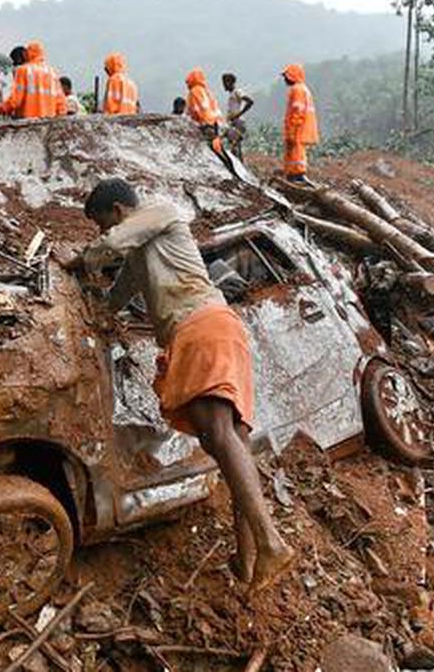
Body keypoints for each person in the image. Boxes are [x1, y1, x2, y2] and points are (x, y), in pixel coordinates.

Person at [66, 179, 294, 593]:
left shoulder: (157, 211)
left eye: (101, 223)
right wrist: (97, 311)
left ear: (118, 210)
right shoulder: (144, 248)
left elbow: (111, 245)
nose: (102, 233)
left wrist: (77, 261)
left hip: (201, 327)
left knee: (221, 438)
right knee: (232, 446)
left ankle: (272, 542)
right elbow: (118, 295)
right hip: (216, 328)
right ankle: (248, 559)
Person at [0, 41, 66, 119]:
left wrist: (2, 108)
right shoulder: (52, 73)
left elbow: (16, 100)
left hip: (27, 123)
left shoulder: (23, 70)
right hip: (47, 124)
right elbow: (61, 104)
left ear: (26, 54)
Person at [281, 63, 319, 183]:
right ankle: (294, 174)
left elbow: (297, 111)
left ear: (292, 76)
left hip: (298, 128)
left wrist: (292, 130)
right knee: (297, 151)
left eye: (286, 76)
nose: (285, 79)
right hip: (301, 127)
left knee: (296, 151)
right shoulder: (302, 89)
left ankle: (296, 175)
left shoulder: (297, 90)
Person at [184, 68, 225, 153]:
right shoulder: (207, 91)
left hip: (205, 124)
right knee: (218, 149)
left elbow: (195, 111)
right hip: (216, 124)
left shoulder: (193, 92)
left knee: (210, 150)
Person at [222, 73, 254, 160]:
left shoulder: (237, 92)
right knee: (235, 147)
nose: (223, 85)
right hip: (234, 122)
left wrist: (238, 115)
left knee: (234, 147)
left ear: (230, 82)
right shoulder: (232, 94)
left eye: (225, 82)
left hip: (238, 123)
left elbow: (250, 102)